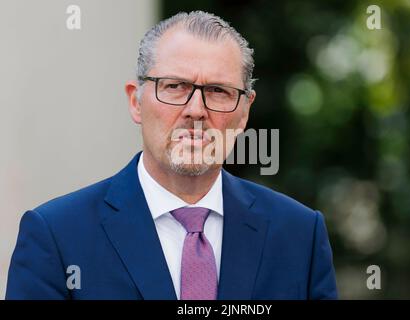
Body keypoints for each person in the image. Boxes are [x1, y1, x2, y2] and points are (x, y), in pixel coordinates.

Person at [6, 11, 337, 300]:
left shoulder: (299, 236)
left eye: (218, 91)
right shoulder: (57, 236)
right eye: (175, 86)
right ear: (136, 102)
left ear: (244, 113)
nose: (196, 110)